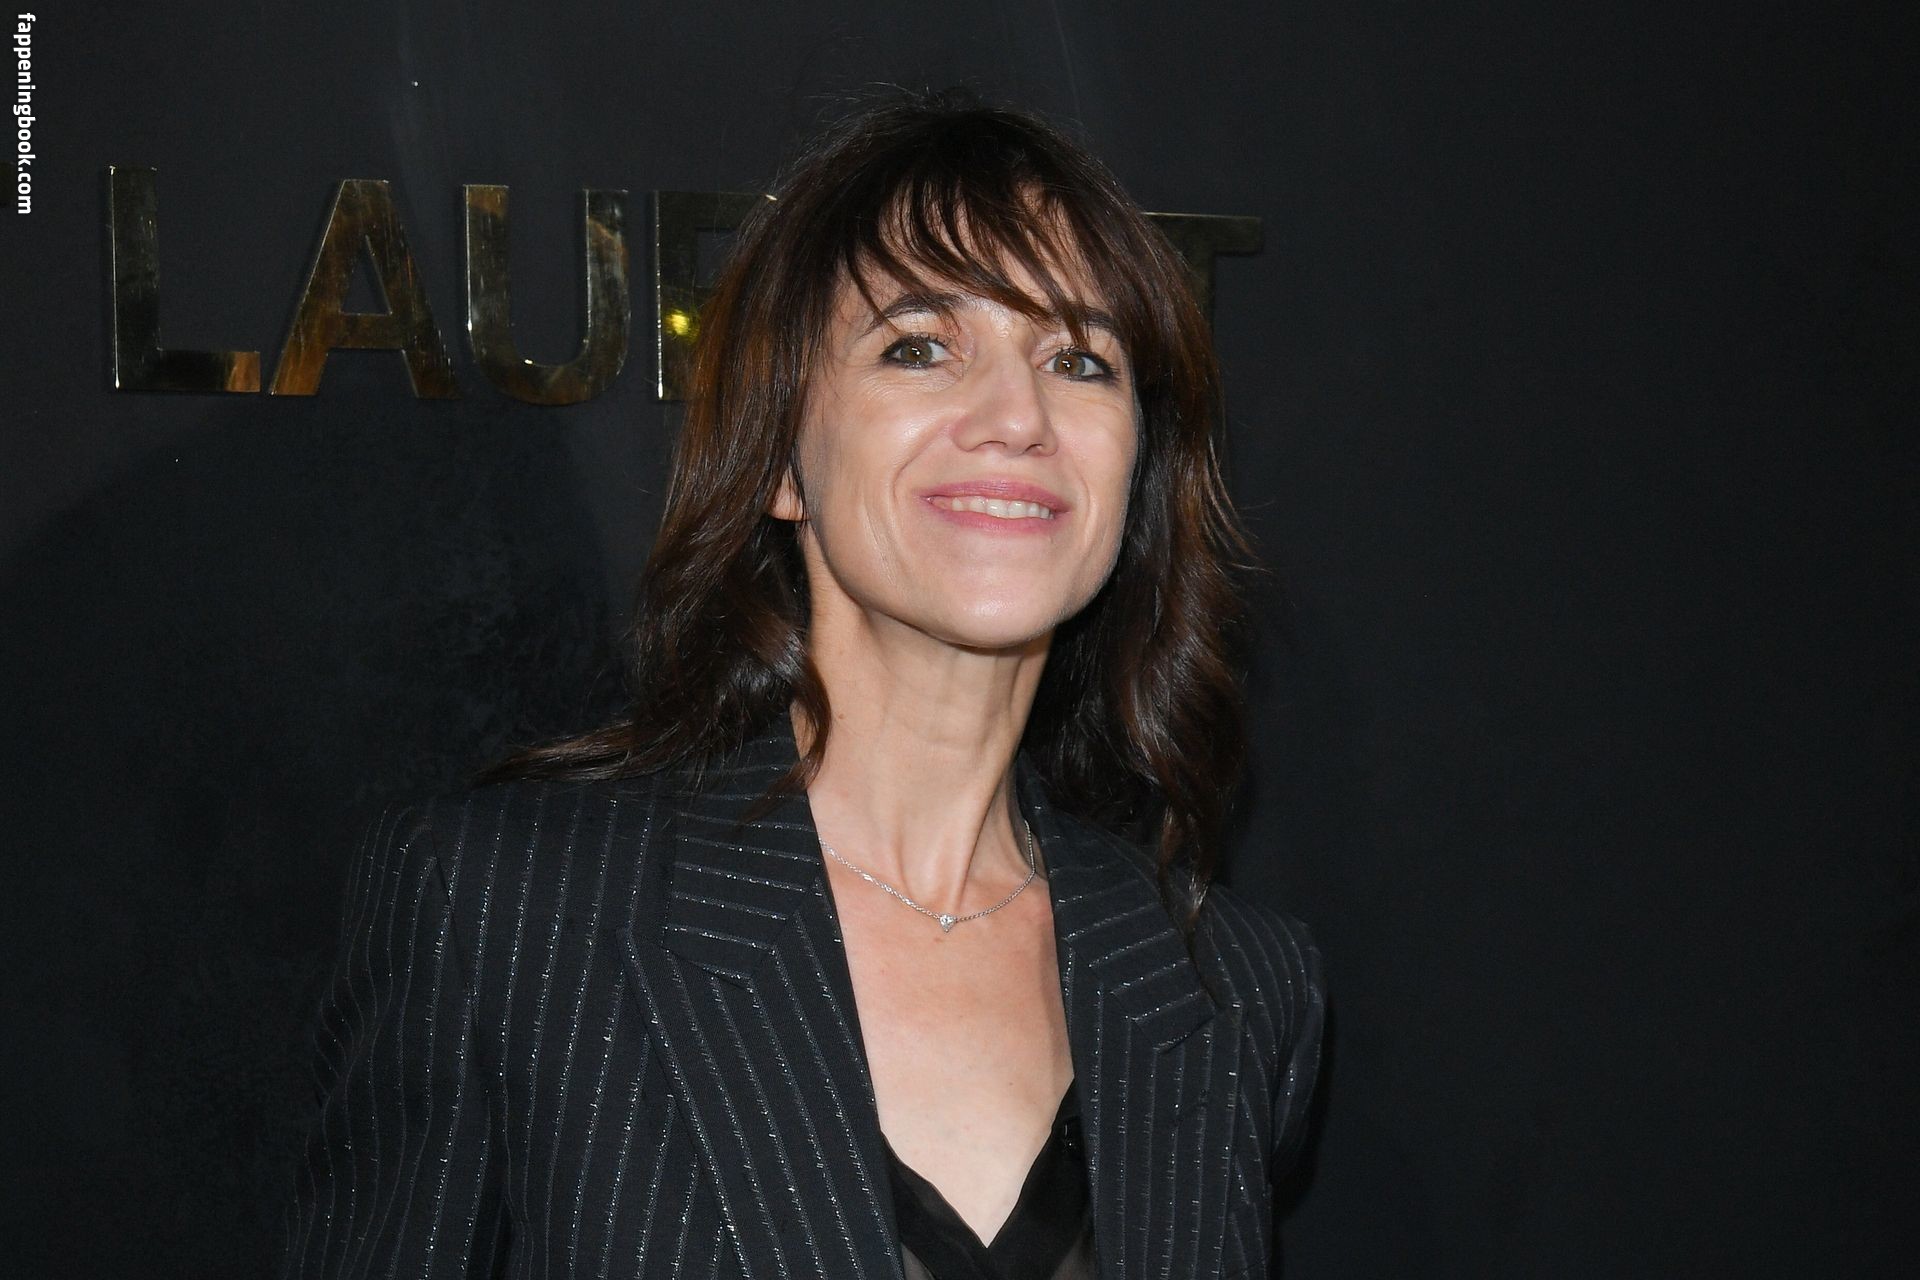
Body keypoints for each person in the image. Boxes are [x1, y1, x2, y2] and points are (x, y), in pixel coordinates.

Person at [280, 89, 1324, 1280]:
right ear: (781, 457)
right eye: (919, 347)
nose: (1018, 416)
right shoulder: (508, 916)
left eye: (1078, 360)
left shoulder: (1237, 988)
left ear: (1132, 468)